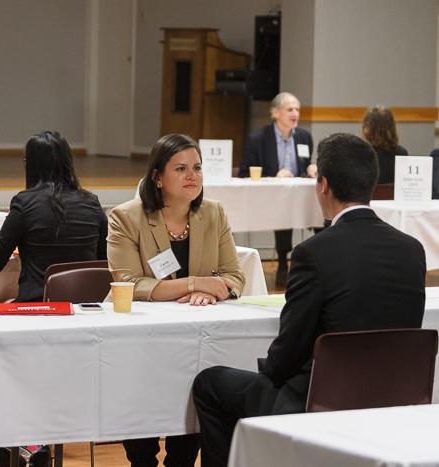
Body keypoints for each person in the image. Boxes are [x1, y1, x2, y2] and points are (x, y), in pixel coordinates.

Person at [193, 133, 426, 467]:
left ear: (323, 186)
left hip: (320, 400)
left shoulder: (313, 254)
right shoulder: (412, 250)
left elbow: (289, 350)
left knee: (210, 383)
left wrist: (268, 370)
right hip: (393, 397)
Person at [107, 133, 245, 467]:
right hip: (140, 338)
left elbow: (234, 277)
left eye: (197, 167)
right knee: (142, 403)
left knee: (199, 392)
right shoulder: (126, 217)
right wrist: (195, 283)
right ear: (157, 176)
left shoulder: (213, 213)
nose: (192, 176)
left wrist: (211, 290)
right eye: (181, 168)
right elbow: (129, 283)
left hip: (195, 334)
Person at [0, 131, 107, 302]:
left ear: (31, 166)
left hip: (39, 304)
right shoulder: (92, 203)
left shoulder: (24, 203)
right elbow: (103, 260)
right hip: (86, 304)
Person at [238, 92, 316, 287]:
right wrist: (274, 176)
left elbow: (305, 164)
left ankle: (319, 260)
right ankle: (282, 262)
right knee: (284, 210)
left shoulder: (305, 137)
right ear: (275, 113)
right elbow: (244, 172)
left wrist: (311, 168)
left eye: (297, 109)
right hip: (270, 197)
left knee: (320, 210)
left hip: (298, 194)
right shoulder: (258, 139)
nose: (295, 113)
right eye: (290, 109)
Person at [362, 105, 408, 184]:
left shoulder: (359, 153)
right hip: (392, 196)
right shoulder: (402, 153)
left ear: (367, 128)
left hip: (367, 196)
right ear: (392, 128)